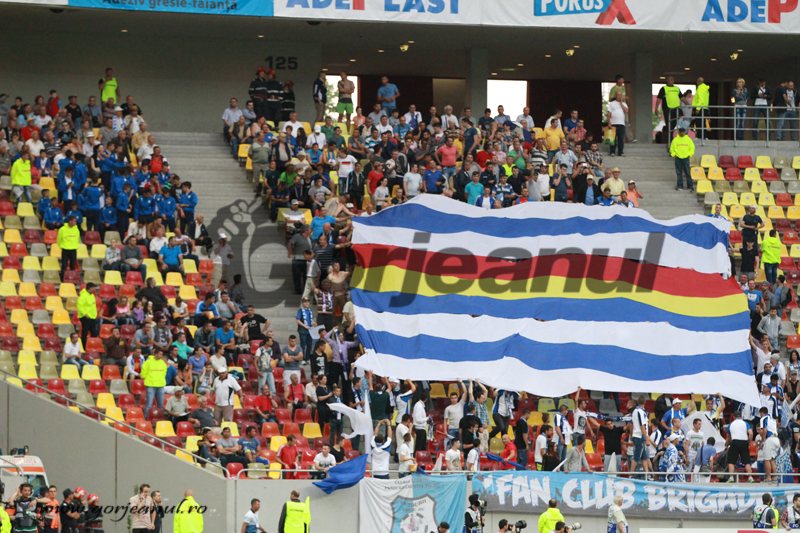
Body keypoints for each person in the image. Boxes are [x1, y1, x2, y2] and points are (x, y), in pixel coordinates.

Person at [670, 127, 695, 191]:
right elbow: (671, 149)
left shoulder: (688, 140)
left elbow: (692, 148)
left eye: (682, 131)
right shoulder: (675, 140)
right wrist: (674, 155)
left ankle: (690, 186)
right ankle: (680, 186)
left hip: (686, 157)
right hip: (678, 158)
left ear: (684, 132)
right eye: (680, 131)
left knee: (687, 172)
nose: (681, 133)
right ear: (679, 132)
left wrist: (689, 155)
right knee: (679, 173)